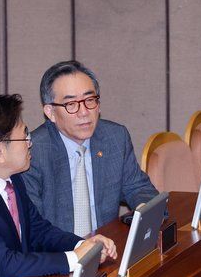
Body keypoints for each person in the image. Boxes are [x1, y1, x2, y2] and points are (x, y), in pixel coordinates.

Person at [0, 94, 117, 277]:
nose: (30, 143)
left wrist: (82, 246)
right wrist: (72, 259)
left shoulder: (11, 177)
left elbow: (39, 231)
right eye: (24, 136)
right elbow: (3, 264)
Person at [21, 60, 159, 236]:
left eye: (89, 100)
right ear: (50, 113)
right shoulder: (34, 152)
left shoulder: (115, 137)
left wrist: (143, 210)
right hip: (60, 256)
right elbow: (34, 227)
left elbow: (138, 188)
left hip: (110, 249)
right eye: (71, 104)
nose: (84, 112)